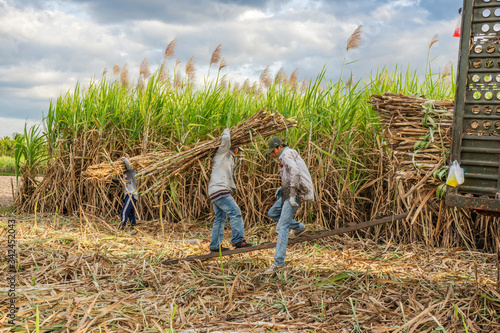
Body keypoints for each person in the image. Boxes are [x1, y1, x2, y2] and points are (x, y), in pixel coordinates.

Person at [262, 136, 314, 274]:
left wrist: (291, 194)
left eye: (273, 151)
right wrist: (282, 188)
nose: (272, 154)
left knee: (282, 227)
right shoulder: (287, 154)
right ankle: (299, 227)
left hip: (296, 193)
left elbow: (295, 172)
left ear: (279, 147)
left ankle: (278, 263)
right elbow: (290, 174)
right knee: (272, 213)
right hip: (290, 192)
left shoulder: (285, 154)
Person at [208, 128, 252, 252]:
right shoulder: (222, 153)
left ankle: (215, 246)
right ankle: (238, 240)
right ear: (235, 148)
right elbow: (226, 139)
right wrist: (227, 130)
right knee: (235, 212)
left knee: (220, 218)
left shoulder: (229, 158)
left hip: (215, 190)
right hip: (219, 189)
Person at [119, 157, 138, 231]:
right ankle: (133, 226)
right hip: (132, 195)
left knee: (124, 211)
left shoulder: (131, 172)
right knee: (130, 213)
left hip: (131, 194)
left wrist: (124, 159)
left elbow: (129, 166)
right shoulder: (125, 174)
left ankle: (122, 225)